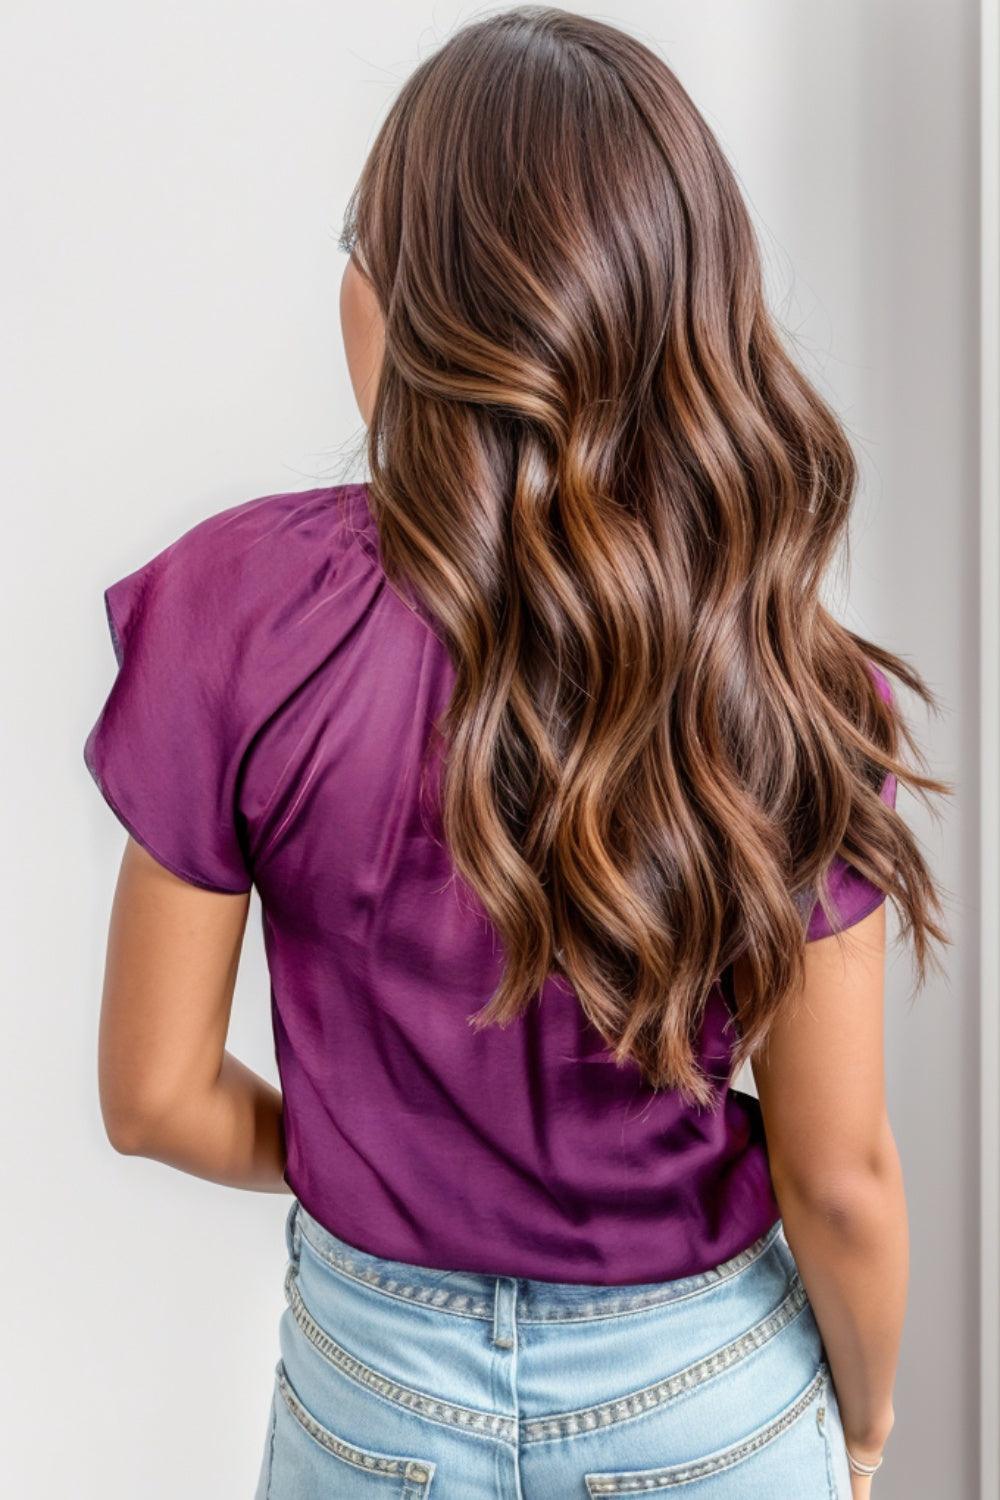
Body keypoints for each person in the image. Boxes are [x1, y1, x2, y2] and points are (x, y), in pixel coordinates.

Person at [82, 7, 950, 1497]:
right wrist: (862, 1423)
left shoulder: (232, 611)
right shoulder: (786, 679)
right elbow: (843, 1181)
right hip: (707, 1395)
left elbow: (154, 1095)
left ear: (394, 306)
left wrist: (385, 1160)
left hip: (376, 1393)